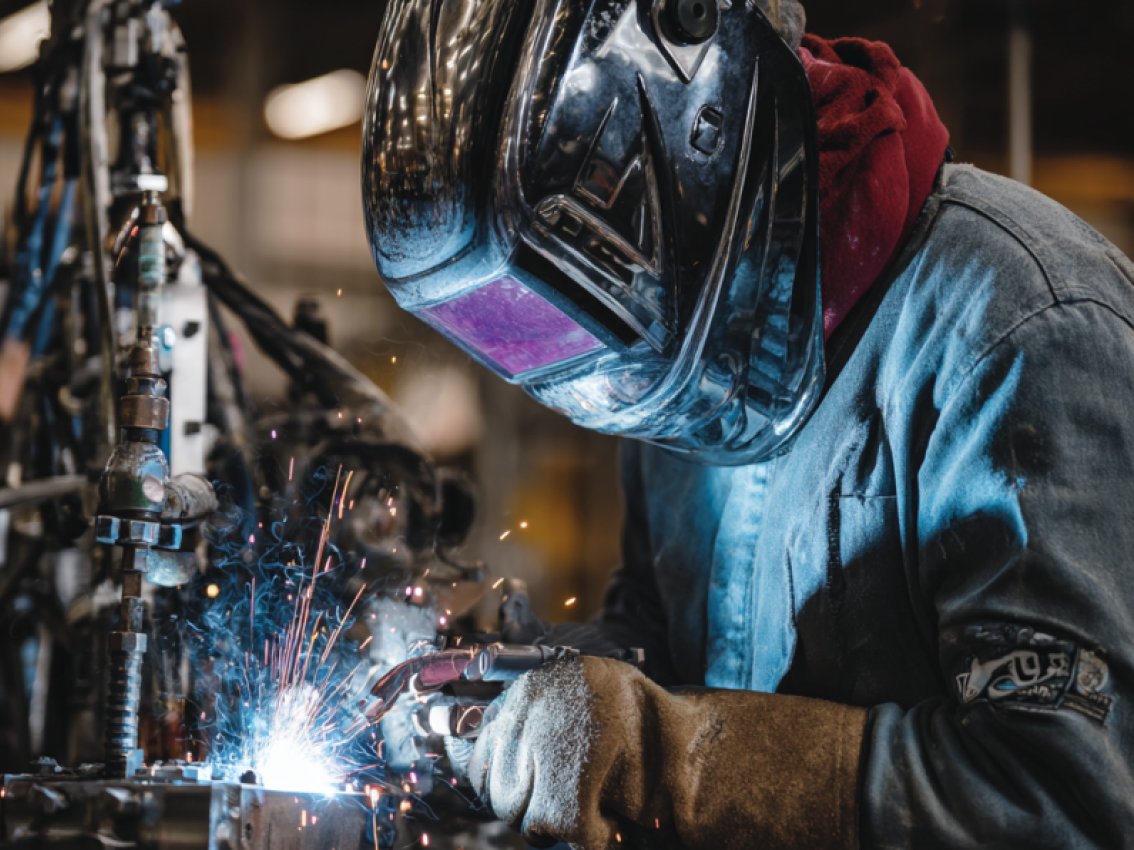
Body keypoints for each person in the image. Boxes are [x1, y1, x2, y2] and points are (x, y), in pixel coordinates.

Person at [362, 0, 1134, 847]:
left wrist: (659, 756)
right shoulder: (681, 352)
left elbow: (1065, 803)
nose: (609, 389)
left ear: (701, 118)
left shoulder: (1019, 330)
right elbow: (660, 653)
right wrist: (520, 689)